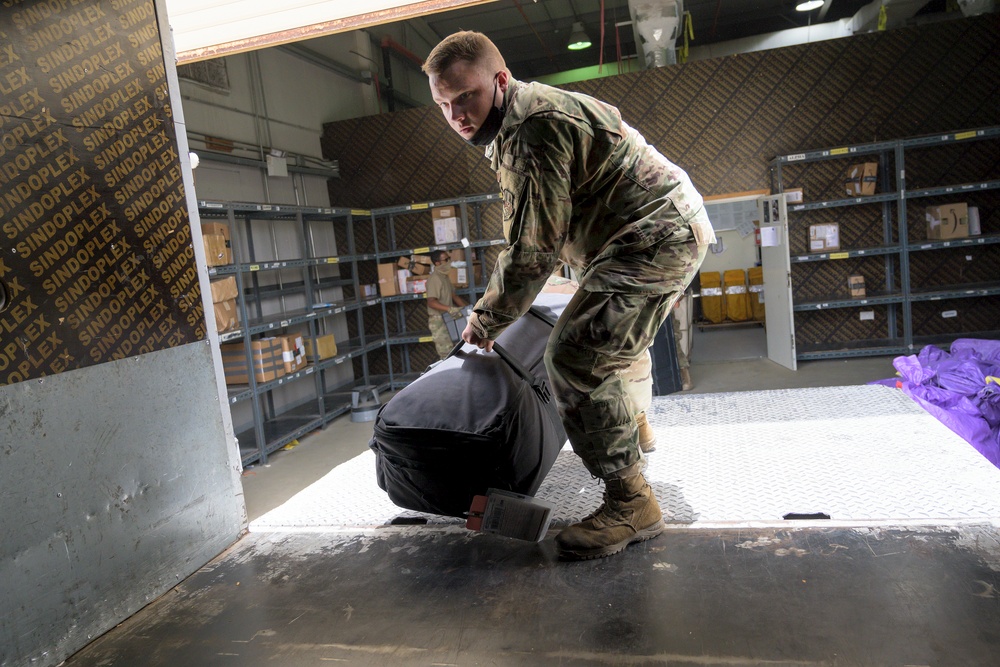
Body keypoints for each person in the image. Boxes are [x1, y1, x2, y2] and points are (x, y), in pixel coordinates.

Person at [423, 31, 715, 560]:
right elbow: (546, 228)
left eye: (465, 96)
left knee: (578, 356)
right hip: (631, 238)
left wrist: (486, 320)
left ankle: (632, 504)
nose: (456, 115)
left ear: (499, 80)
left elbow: (532, 249)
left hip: (652, 237)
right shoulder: (513, 124)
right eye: (443, 104)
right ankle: (630, 430)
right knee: (606, 338)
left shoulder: (533, 127)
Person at [425, 250, 468, 360]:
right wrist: (449, 309)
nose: (449, 262)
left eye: (449, 259)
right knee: (446, 354)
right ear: (437, 263)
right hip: (438, 321)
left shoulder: (444, 277)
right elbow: (431, 302)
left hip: (448, 318)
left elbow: (454, 296)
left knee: (456, 349)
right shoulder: (435, 278)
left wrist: (467, 310)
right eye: (446, 259)